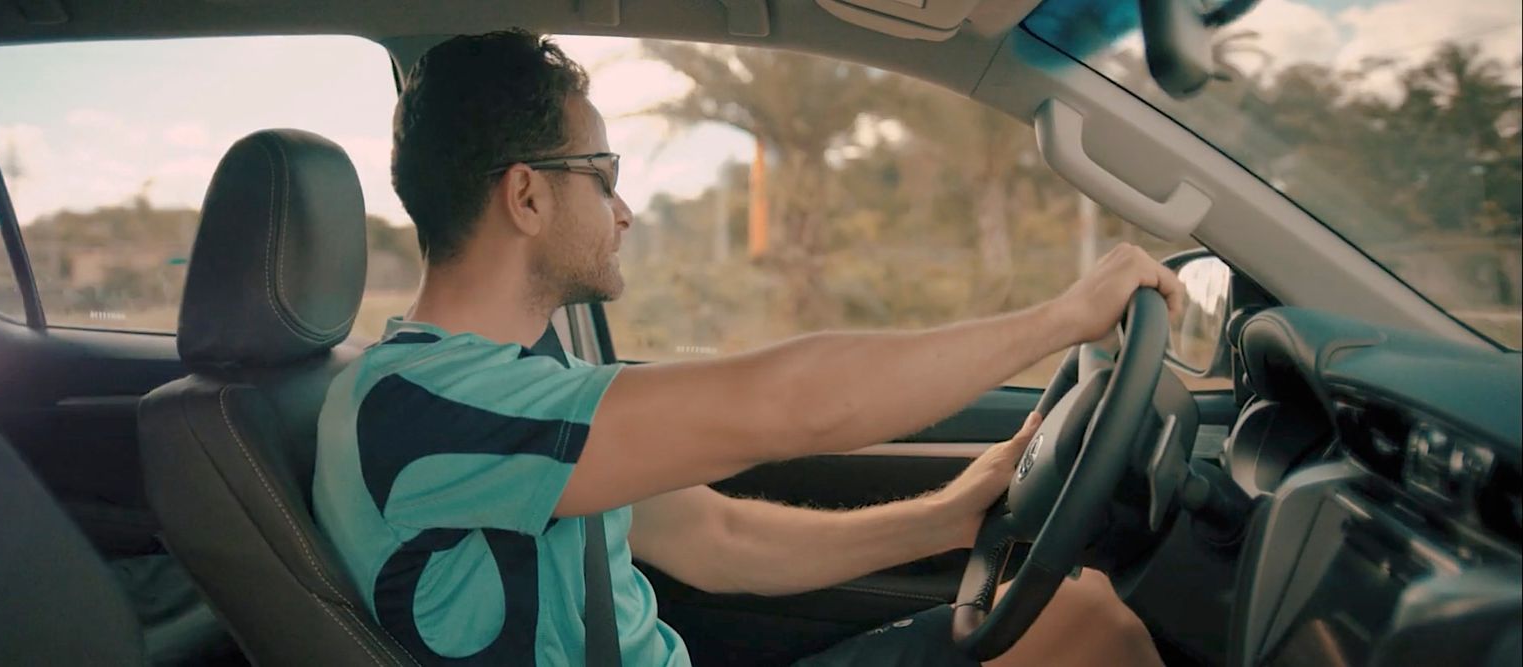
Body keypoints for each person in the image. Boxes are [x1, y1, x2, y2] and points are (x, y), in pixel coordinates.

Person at [313, 29, 1177, 667]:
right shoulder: (415, 406)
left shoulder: (518, 390)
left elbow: (717, 537)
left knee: (1081, 610)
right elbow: (791, 404)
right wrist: (1063, 316)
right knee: (1088, 631)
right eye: (603, 174)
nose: (624, 211)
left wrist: (946, 517)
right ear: (528, 197)